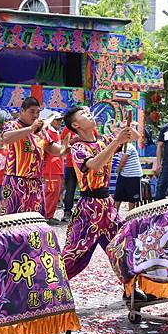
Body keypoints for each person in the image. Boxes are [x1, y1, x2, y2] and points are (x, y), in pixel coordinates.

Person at [61, 106, 133, 278]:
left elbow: (132, 137)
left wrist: (127, 131)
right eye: (84, 114)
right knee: (73, 254)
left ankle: (131, 289)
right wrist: (117, 141)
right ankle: (49, 289)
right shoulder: (78, 147)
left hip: (107, 205)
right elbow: (94, 165)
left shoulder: (102, 142)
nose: (89, 114)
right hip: (89, 208)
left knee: (123, 246)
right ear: (76, 125)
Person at [1, 97, 65, 216]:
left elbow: (52, 148)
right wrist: (30, 129)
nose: (35, 115)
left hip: (36, 182)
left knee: (34, 219)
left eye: (38, 112)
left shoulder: (41, 131)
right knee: (12, 219)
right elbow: (6, 138)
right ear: (22, 111)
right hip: (16, 179)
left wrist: (66, 147)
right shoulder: (12, 125)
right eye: (32, 112)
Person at [43, 112, 69, 223]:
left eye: (60, 120)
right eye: (57, 120)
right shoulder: (48, 133)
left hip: (57, 167)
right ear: (51, 121)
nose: (60, 122)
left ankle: (50, 214)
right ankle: (46, 216)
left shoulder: (55, 133)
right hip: (51, 168)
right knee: (51, 192)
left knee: (55, 193)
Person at [114, 137, 143, 212]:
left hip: (133, 175)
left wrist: (118, 170)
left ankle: (130, 214)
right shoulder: (121, 148)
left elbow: (123, 160)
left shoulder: (128, 146)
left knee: (132, 197)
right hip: (124, 174)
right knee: (118, 195)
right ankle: (114, 214)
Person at [61, 126, 77, 222]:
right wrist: (73, 140)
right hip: (71, 164)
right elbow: (62, 145)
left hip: (86, 164)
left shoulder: (90, 126)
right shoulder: (68, 127)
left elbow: (95, 141)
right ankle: (67, 212)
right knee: (70, 189)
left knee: (88, 189)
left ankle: (87, 212)